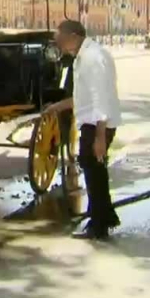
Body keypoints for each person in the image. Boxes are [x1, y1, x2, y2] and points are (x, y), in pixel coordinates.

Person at [43, 20, 122, 240]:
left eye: (60, 38)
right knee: (95, 171)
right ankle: (105, 217)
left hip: (96, 125)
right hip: (93, 123)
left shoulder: (92, 58)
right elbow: (82, 97)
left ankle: (99, 226)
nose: (58, 43)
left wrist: (100, 137)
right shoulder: (84, 56)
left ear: (73, 36)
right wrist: (57, 107)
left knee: (93, 172)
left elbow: (99, 98)